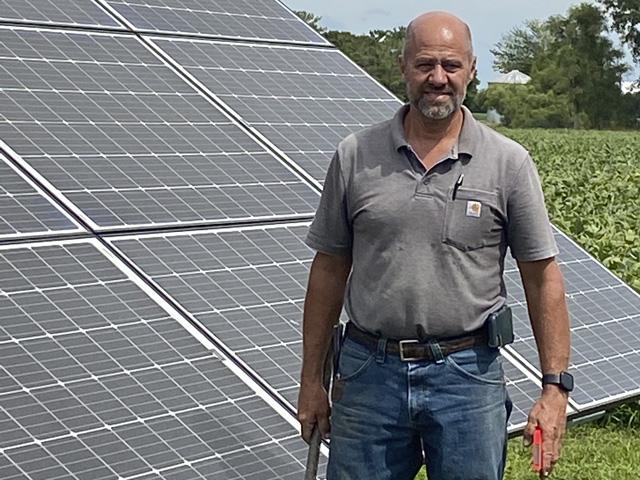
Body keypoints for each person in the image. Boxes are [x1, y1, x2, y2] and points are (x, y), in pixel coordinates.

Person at [297, 10, 571, 480]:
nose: (438, 78)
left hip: (468, 377)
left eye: (451, 65)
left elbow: (542, 278)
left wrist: (555, 389)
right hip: (368, 376)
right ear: (403, 67)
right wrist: (310, 381)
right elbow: (328, 270)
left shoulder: (507, 164)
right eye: (425, 64)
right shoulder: (355, 155)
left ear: (471, 70)